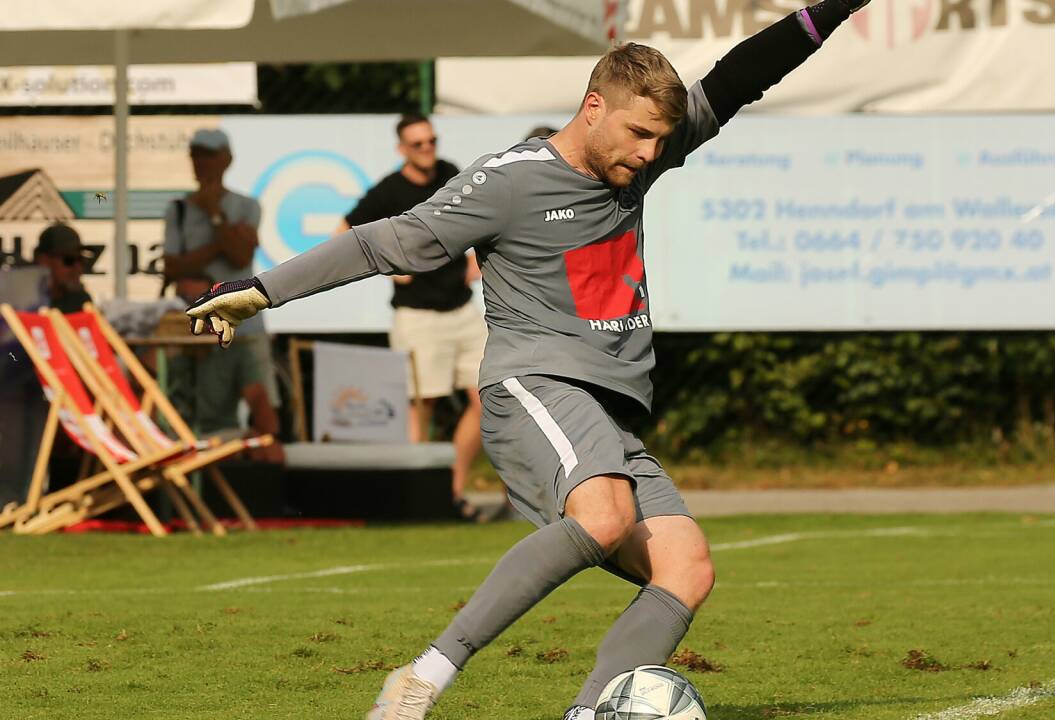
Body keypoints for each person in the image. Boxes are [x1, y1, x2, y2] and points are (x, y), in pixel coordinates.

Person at [184, 2, 870, 718]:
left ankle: (588, 712)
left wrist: (836, 8)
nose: (649, 153)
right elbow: (383, 243)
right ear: (594, 107)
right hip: (535, 383)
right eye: (638, 133)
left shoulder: (639, 161)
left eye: (660, 139)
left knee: (686, 565)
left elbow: (739, 78)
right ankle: (421, 679)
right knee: (605, 514)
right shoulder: (509, 181)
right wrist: (262, 290)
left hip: (604, 413)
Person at [337, 114, 487, 522]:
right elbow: (345, 232)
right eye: (418, 144)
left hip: (461, 309)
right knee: (422, 406)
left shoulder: (450, 173)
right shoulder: (389, 190)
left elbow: (478, 219)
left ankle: (451, 492)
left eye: (431, 140)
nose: (427, 149)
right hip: (417, 316)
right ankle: (418, 500)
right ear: (402, 149)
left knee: (487, 399)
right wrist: (386, 268)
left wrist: (476, 260)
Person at [162, 128, 279, 409]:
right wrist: (225, 240)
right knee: (207, 409)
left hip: (246, 323)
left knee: (261, 406)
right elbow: (172, 267)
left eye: (209, 155)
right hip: (200, 329)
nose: (201, 162)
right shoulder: (178, 210)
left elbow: (239, 257)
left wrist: (214, 214)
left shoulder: (247, 206)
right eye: (196, 154)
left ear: (226, 160)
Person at [168, 273, 283, 464]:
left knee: (266, 448)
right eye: (186, 302)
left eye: (203, 301)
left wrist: (269, 438)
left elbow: (257, 397)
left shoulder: (235, 348)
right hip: (171, 438)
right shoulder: (163, 348)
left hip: (220, 435)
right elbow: (142, 392)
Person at [33, 223, 92, 313]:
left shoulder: (80, 300)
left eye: (81, 260)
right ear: (44, 260)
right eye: (69, 260)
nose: (78, 268)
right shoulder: (25, 300)